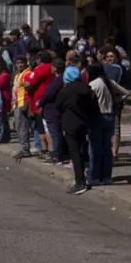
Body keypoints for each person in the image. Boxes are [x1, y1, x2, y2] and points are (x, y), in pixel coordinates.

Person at [54, 66, 98, 195]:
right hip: (84, 123)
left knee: (74, 153)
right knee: (82, 150)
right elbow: (93, 106)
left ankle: (80, 182)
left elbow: (58, 105)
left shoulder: (65, 90)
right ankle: (86, 176)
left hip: (70, 124)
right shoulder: (87, 89)